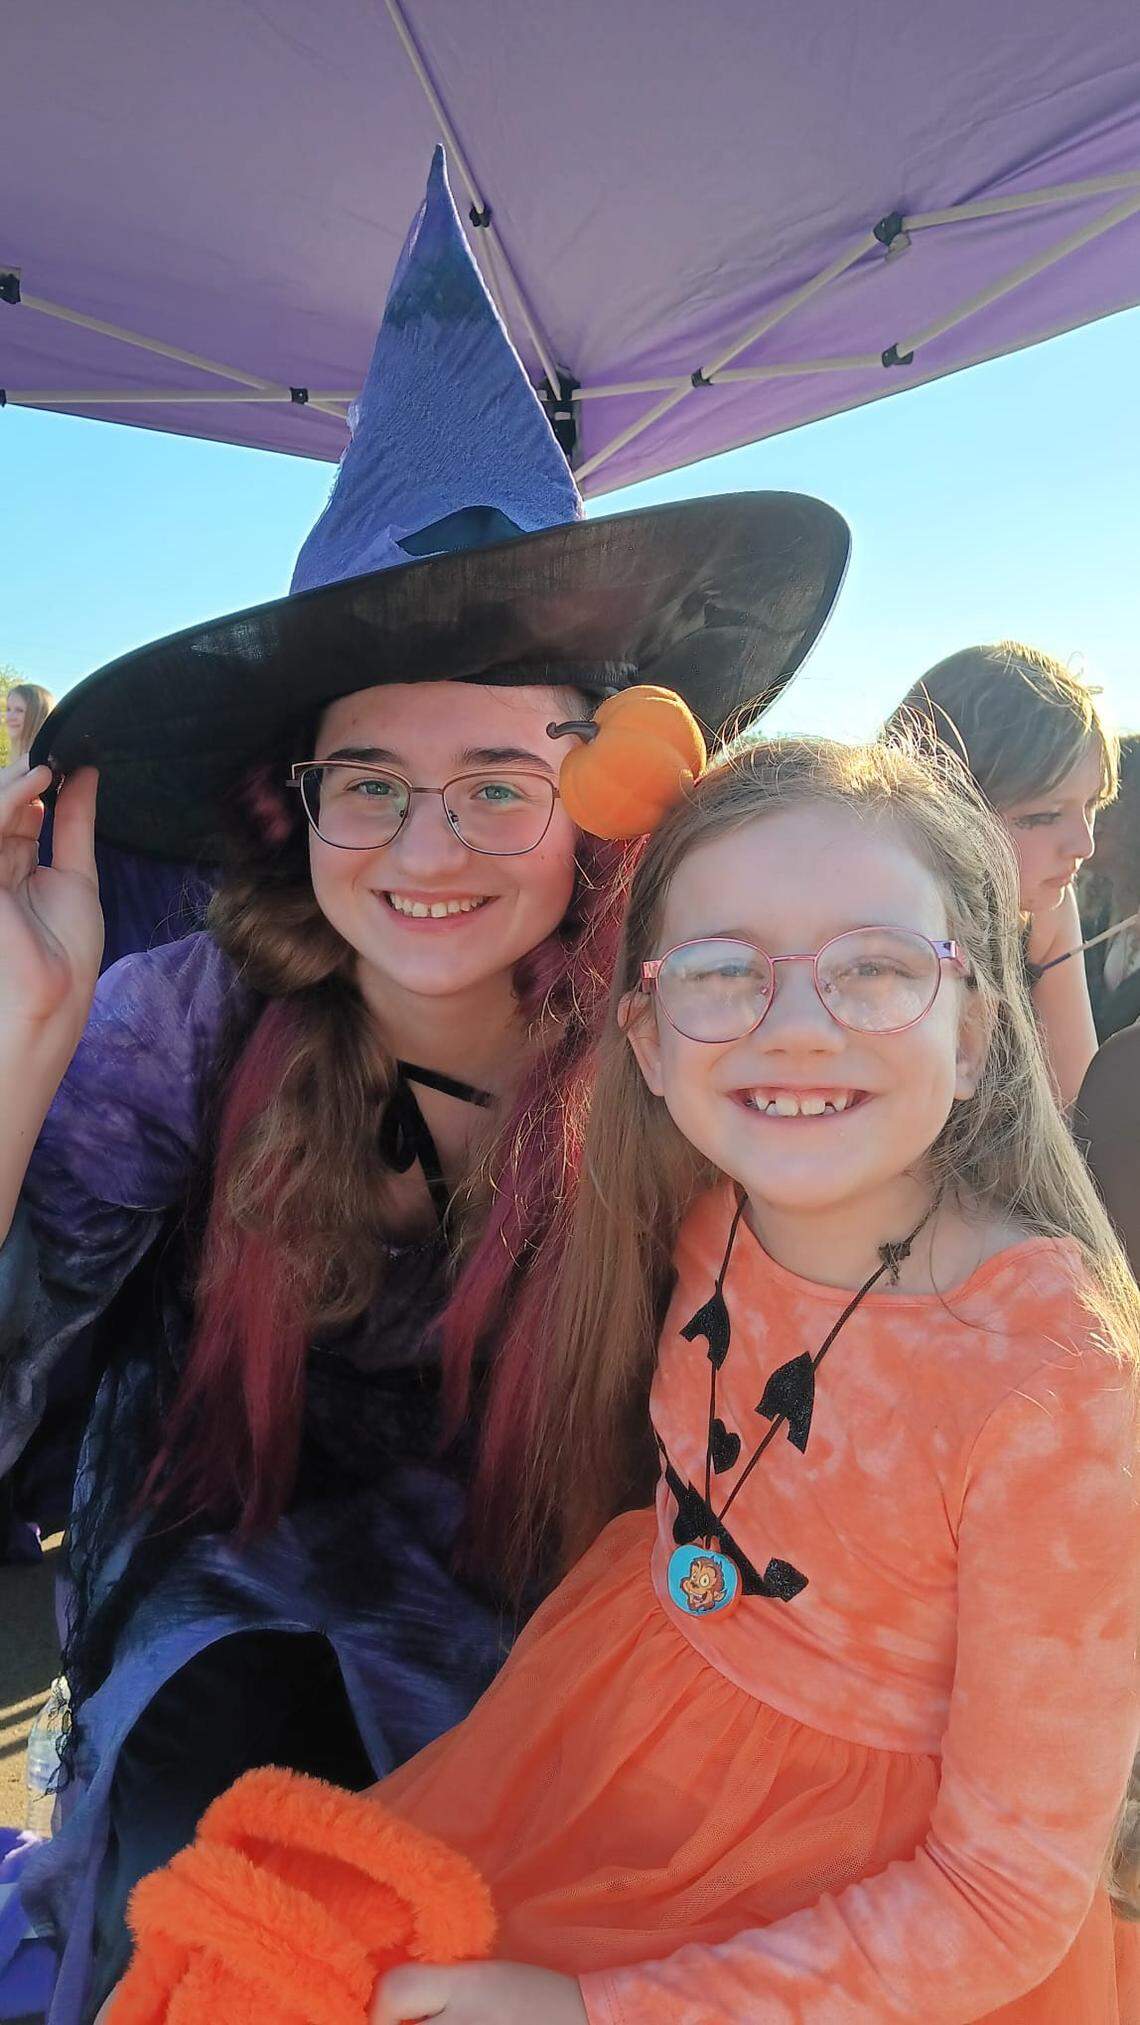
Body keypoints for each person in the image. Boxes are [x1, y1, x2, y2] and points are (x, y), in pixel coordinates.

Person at [0, 150, 849, 2025]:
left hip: (582, 1634)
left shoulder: (686, 1048)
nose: (428, 845)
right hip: (226, 1626)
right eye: (369, 781)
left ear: (612, 787)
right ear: (286, 810)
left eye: (502, 777)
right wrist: (27, 1035)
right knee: (234, 1889)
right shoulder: (187, 1029)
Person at [311, 732, 1137, 2025]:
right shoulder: (709, 1212)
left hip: (860, 1933)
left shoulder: (1055, 1394)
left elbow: (1002, 1897)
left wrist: (592, 2009)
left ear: (975, 1033)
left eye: (872, 968)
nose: (796, 1028)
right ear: (647, 1036)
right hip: (616, 1735)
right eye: (721, 971)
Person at [887, 641, 1118, 1106]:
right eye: (1044, 816)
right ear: (944, 811)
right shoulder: (868, 915)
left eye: (1091, 806)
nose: (1084, 844)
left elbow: (1078, 1103)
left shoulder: (1042, 910)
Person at [4, 681, 55, 765]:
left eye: (19, 710)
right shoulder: (18, 758)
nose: (9, 717)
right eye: (8, 709)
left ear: (38, 716)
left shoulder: (41, 762)